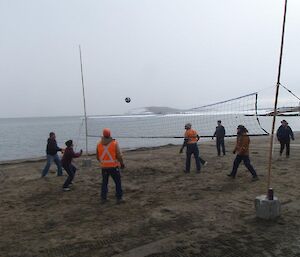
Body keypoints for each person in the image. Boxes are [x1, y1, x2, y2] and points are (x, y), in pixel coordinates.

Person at [96, 128, 125, 203]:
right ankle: (119, 198)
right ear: (110, 134)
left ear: (103, 135)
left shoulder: (99, 144)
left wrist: (103, 162)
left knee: (104, 183)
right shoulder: (114, 143)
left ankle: (103, 198)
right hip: (113, 167)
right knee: (118, 182)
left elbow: (97, 157)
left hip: (104, 167)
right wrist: (122, 163)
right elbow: (119, 155)